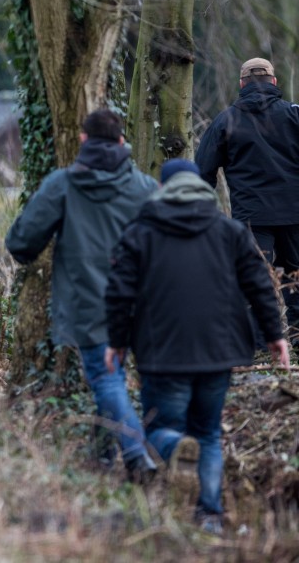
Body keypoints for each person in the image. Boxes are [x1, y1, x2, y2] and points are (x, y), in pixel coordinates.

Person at [105, 159, 289, 534]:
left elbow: (120, 291)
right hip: (218, 351)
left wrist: (117, 341)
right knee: (208, 433)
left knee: (160, 428)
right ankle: (209, 516)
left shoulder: (141, 232)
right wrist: (276, 336)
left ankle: (176, 447)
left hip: (162, 351)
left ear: (162, 190)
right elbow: (260, 285)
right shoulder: (230, 230)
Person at [5, 109, 159, 481]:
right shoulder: (147, 189)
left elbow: (22, 242)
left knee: (107, 379)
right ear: (122, 142)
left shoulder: (64, 184)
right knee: (135, 378)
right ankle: (103, 454)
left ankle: (138, 454)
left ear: (83, 140)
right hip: (144, 299)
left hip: (88, 300)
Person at [196, 57, 299, 345]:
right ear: (274, 82)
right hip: (295, 214)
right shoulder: (294, 114)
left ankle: (256, 343)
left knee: (254, 280)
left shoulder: (226, 120)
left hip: (251, 218)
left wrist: (206, 213)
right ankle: (297, 337)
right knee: (297, 277)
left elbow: (202, 170)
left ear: (242, 84)